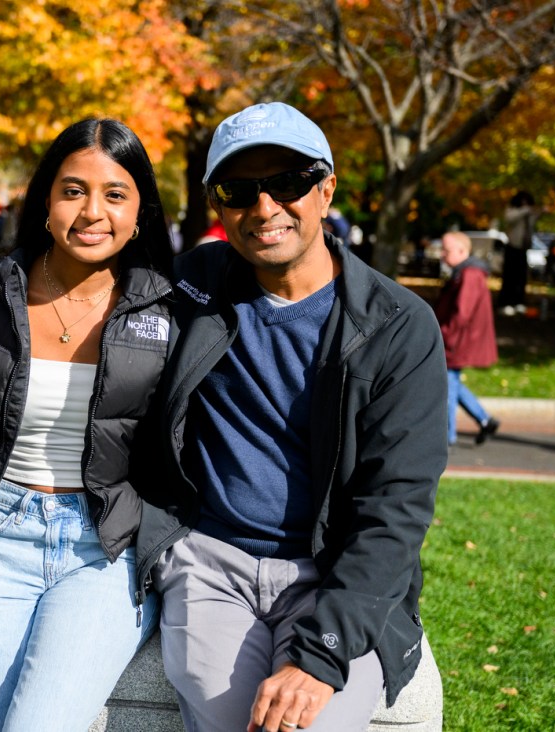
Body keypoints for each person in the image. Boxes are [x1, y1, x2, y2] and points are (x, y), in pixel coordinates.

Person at [133, 102, 447, 732]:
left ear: (326, 189)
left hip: (331, 570)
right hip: (211, 562)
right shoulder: (193, 284)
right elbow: (78, 283)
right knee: (228, 717)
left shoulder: (397, 325)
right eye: (239, 190)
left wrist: (324, 650)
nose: (265, 207)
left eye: (288, 183)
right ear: (217, 205)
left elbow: (397, 507)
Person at [0, 118, 175, 731]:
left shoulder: (169, 309)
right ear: (45, 200)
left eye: (115, 194)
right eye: (73, 190)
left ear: (141, 210)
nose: (92, 211)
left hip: (104, 549)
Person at [436, 232, 500, 446]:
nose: (442, 254)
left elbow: (462, 312)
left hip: (456, 340)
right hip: (456, 338)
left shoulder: (470, 274)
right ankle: (484, 419)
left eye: (447, 250)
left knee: (446, 384)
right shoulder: (464, 272)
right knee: (450, 381)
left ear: (463, 251)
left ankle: (447, 436)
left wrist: (445, 334)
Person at [499, 190, 541, 315]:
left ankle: (519, 302)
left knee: (521, 277)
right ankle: (505, 302)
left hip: (523, 249)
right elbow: (509, 218)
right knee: (509, 277)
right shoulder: (513, 211)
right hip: (512, 247)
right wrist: (525, 210)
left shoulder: (530, 215)